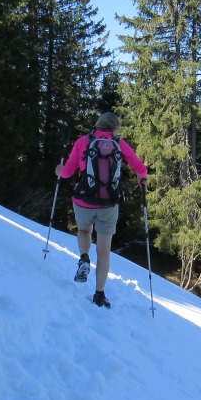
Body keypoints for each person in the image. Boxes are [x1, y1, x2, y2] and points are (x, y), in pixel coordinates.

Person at [55, 112, 148, 308]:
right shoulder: (119, 144)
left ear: (97, 125)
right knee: (104, 250)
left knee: (84, 231)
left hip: (83, 200)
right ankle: (99, 294)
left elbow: (68, 172)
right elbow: (141, 168)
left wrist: (59, 170)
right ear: (115, 128)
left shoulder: (83, 141)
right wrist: (141, 177)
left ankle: (84, 258)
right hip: (109, 203)